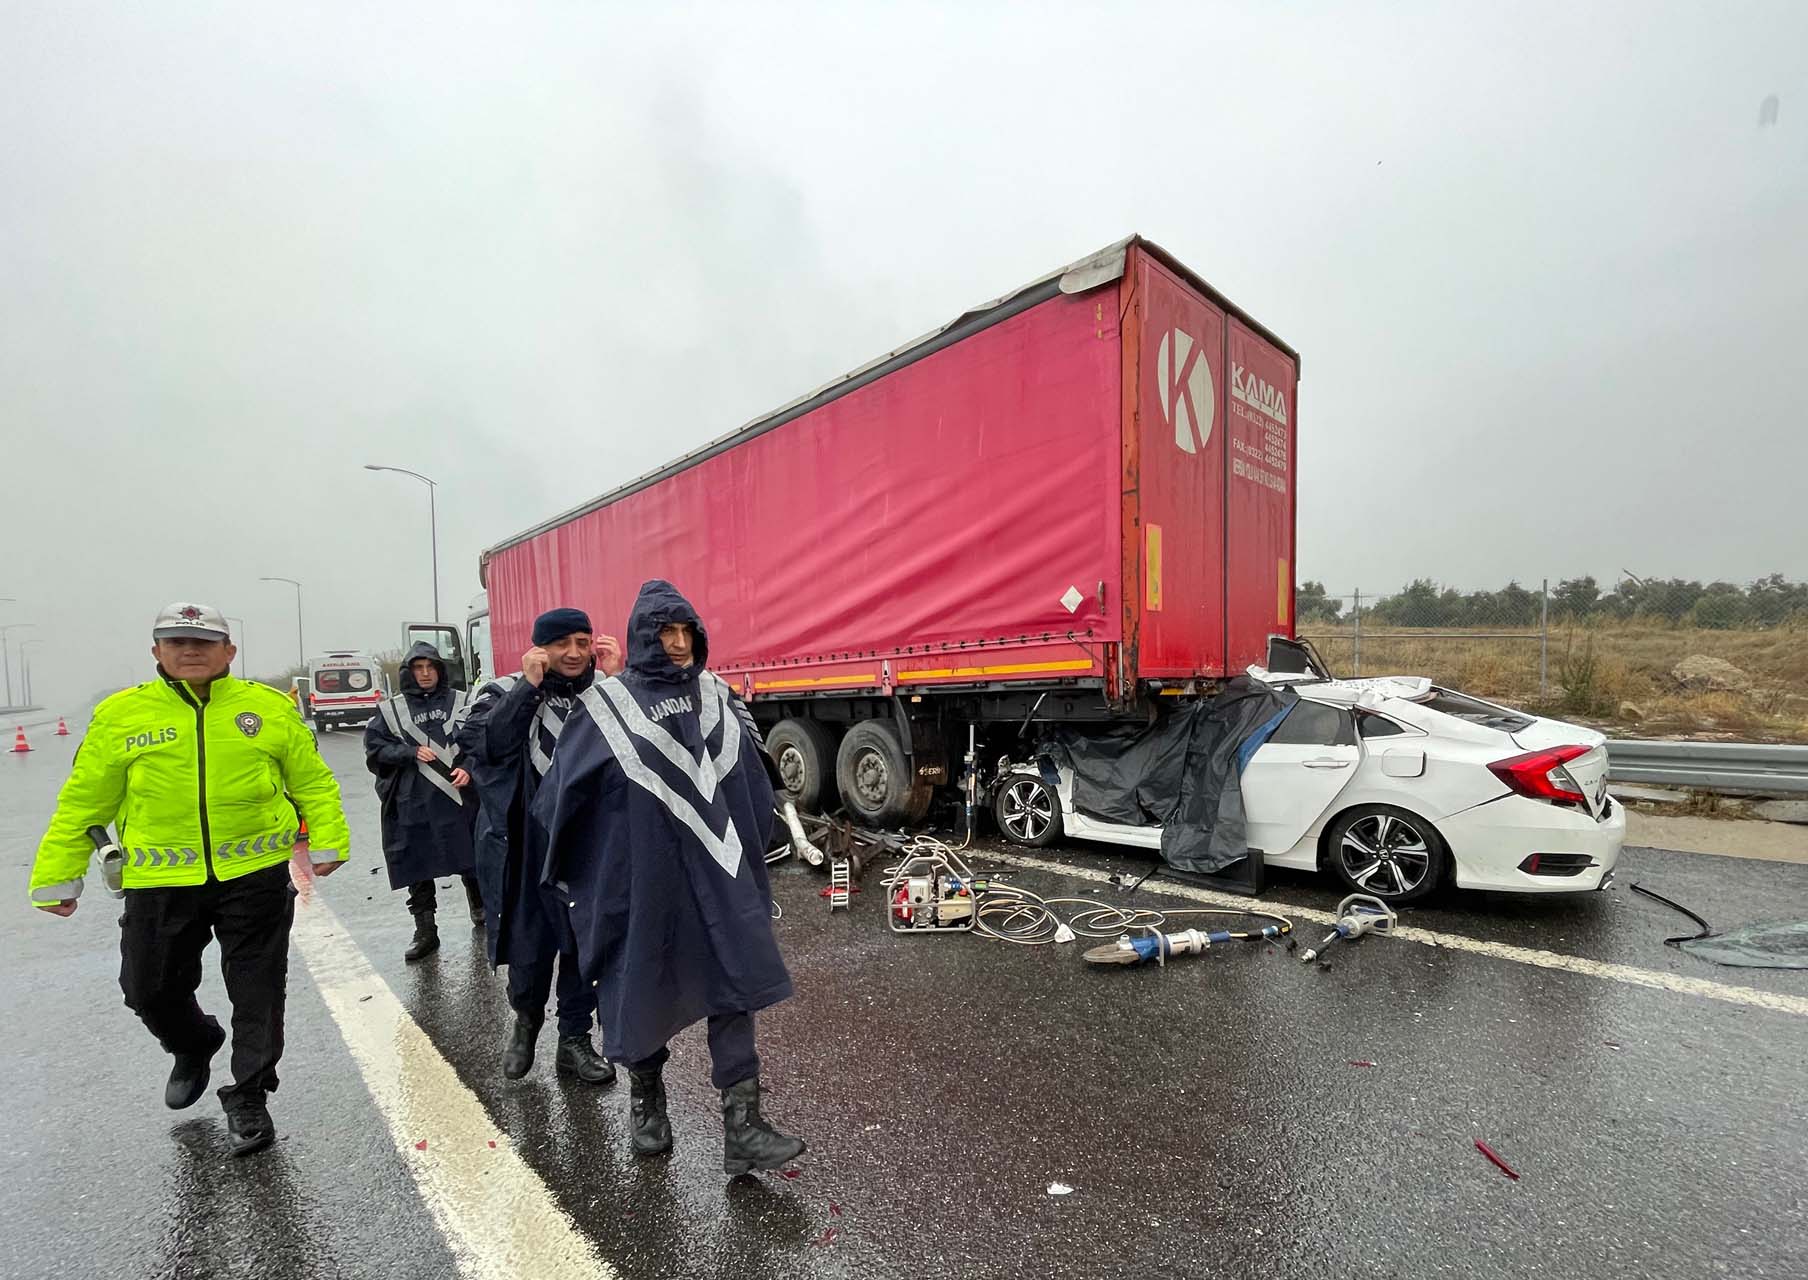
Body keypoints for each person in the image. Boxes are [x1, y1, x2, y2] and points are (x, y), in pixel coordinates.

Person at [29, 602, 350, 1157]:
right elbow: (85, 800)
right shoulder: (120, 715)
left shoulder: (268, 709)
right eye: (177, 642)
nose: (191, 651)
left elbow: (313, 781)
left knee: (258, 990)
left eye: (204, 642)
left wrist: (328, 839)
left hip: (253, 875)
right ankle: (194, 1042)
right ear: (156, 652)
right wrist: (59, 875)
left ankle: (249, 1096)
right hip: (160, 880)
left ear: (229, 651)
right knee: (147, 988)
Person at [535, 580, 805, 1176]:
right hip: (642, 878)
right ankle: (647, 1103)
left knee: (734, 983)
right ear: (643, 637)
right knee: (639, 985)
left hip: (718, 870)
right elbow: (558, 800)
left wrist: (753, 853)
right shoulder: (604, 707)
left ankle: (744, 1125)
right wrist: (580, 873)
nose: (679, 643)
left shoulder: (717, 695)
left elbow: (754, 781)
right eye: (667, 632)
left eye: (687, 631)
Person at [455, 607, 619, 1085]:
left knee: (582, 948)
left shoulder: (608, 693)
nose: (573, 653)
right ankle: (526, 1023)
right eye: (561, 643)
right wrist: (528, 689)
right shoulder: (503, 690)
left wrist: (615, 682)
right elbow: (485, 746)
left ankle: (574, 1041)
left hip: (587, 845)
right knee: (528, 948)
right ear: (539, 647)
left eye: (582, 642)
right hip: (525, 844)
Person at [363, 641, 483, 963]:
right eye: (419, 668)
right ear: (408, 672)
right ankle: (426, 929)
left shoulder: (462, 701)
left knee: (470, 851)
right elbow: (375, 751)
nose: (426, 673)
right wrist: (408, 752)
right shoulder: (391, 710)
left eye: (431, 667)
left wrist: (470, 768)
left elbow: (482, 740)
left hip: (459, 795)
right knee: (417, 860)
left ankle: (481, 908)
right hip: (414, 800)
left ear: (440, 669)